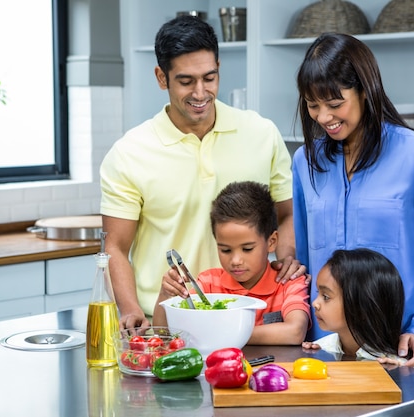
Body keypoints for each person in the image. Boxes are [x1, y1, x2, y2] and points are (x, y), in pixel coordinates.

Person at [100, 16, 305, 330]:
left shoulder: (262, 133)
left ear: (219, 67)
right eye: (186, 81)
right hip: (167, 323)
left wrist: (286, 254)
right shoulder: (129, 153)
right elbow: (115, 246)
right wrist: (129, 310)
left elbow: (287, 213)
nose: (200, 92)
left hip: (253, 322)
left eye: (210, 77)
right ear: (161, 77)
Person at [292, 33, 414, 370]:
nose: (323, 117)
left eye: (334, 103)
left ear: (364, 89)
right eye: (312, 105)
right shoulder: (305, 163)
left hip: (398, 354)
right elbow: (306, 264)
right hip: (324, 353)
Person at [153, 181, 310, 345]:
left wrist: (221, 333)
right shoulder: (208, 284)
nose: (235, 261)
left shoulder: (288, 282)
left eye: (247, 249)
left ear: (271, 242)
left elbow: (295, 332)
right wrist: (165, 294)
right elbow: (164, 333)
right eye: (226, 250)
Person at [302, 248, 411, 367]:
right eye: (318, 293)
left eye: (326, 297)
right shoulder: (321, 348)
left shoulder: (396, 366)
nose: (315, 303)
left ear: (362, 309)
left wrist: (397, 376)